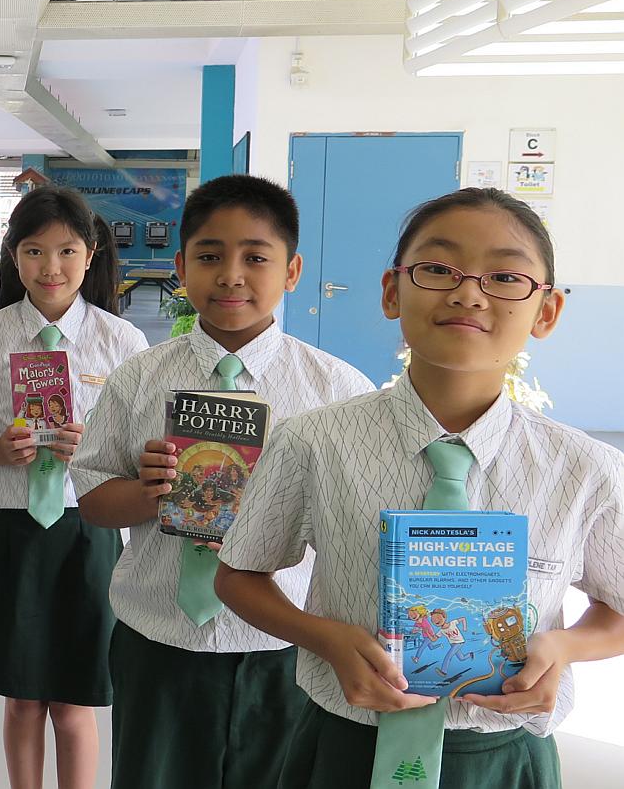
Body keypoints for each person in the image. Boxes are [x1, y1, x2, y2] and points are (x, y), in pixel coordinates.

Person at [215, 187, 624, 789]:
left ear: (547, 312)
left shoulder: (585, 469)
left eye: (505, 276)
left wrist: (563, 648)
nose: (468, 292)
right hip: (344, 745)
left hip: (500, 758)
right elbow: (239, 573)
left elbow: (616, 609)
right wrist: (324, 637)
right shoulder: (315, 441)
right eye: (437, 269)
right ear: (390, 292)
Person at [72, 174, 374, 789]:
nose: (231, 275)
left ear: (291, 271)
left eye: (255, 258)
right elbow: (94, 499)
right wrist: (147, 490)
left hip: (282, 646)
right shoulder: (140, 378)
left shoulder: (338, 393)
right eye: (210, 257)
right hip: (159, 633)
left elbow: (358, 528)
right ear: (181, 267)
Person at [0, 187, 146, 789]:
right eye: (34, 251)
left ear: (90, 255)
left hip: (87, 530)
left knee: (75, 699)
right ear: (13, 256)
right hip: (10, 527)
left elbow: (136, 455)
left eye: (65, 251)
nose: (50, 267)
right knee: (22, 696)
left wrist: (95, 450)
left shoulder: (122, 343)